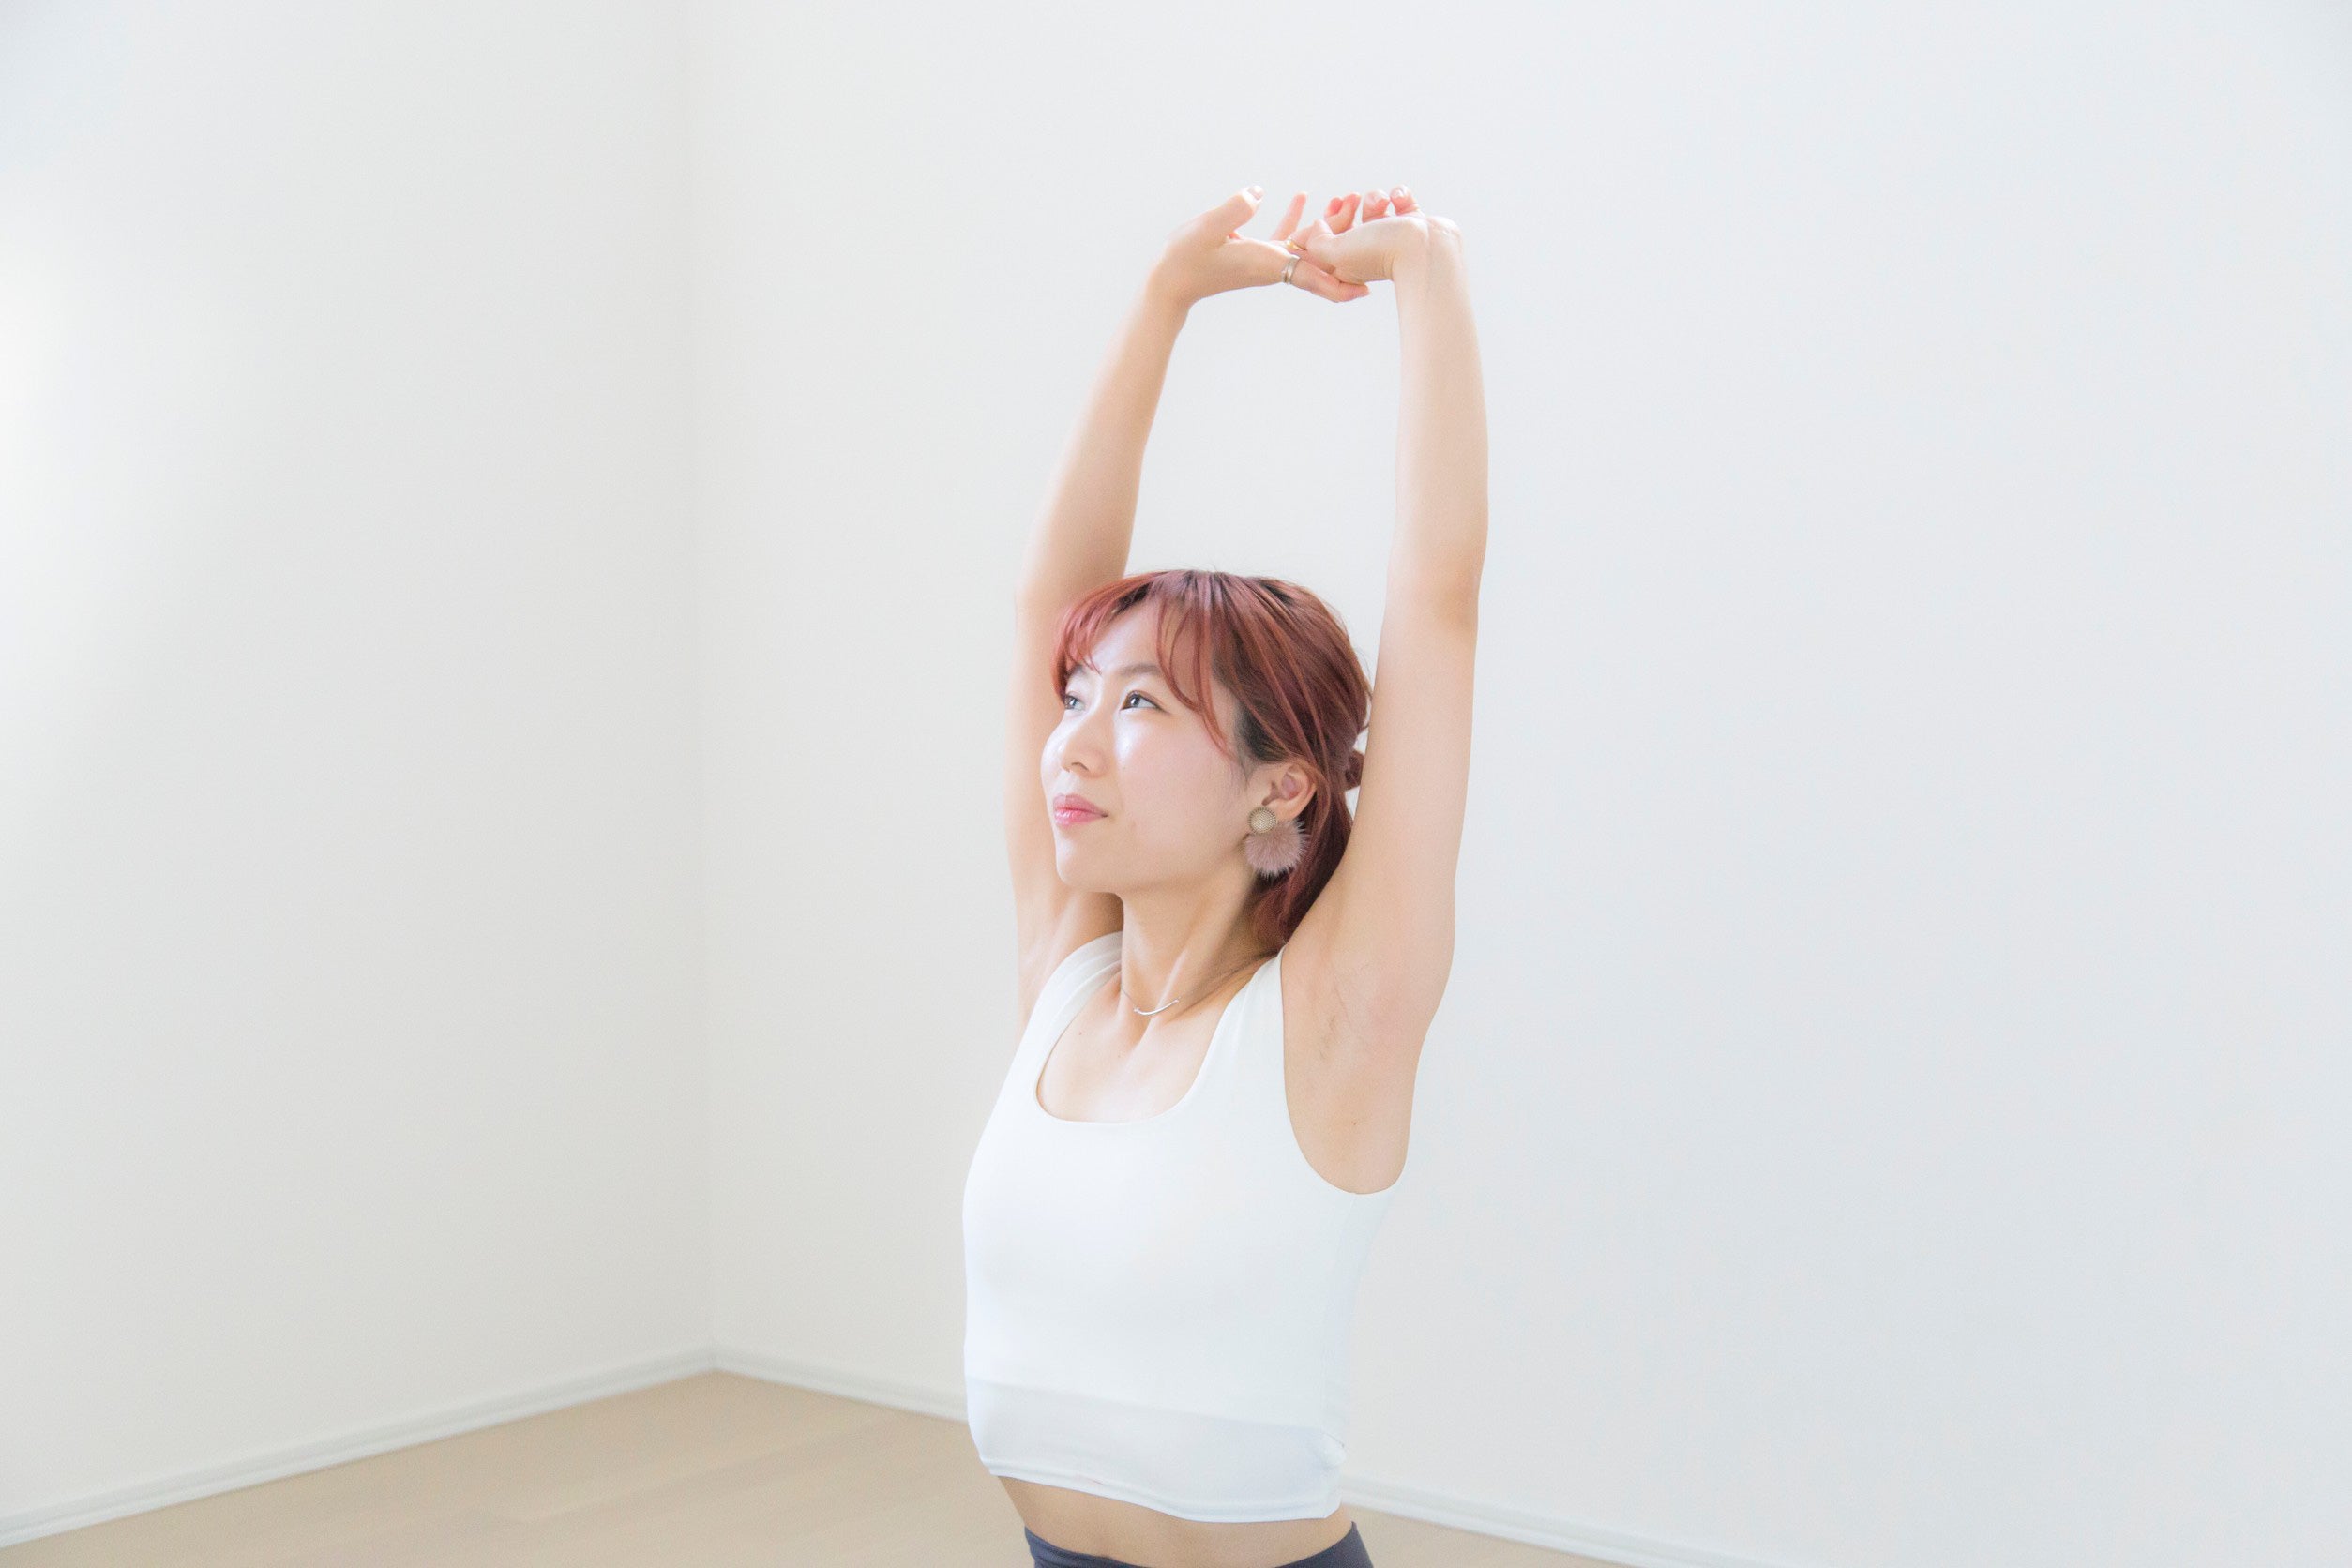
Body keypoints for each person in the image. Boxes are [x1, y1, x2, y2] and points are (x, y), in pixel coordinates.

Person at [962, 183, 1485, 1568]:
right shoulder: (1067, 979)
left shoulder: (1330, 1017)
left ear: (1281, 785)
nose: (1073, 740)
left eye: (1140, 705)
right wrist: (1167, 298)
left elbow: (1438, 602)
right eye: (1079, 696)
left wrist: (1427, 272)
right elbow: (1043, 604)